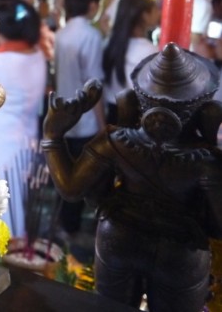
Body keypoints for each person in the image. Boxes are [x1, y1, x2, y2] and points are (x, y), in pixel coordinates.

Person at [42, 45, 222, 312]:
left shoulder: (116, 141)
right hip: (180, 255)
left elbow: (70, 189)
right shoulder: (206, 161)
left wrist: (53, 137)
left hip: (118, 239)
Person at [0, 0, 47, 237]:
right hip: (25, 142)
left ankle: (5, 260)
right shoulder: (37, 56)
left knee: (0, 210)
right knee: (17, 204)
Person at [53, 0, 106, 236]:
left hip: (63, 115)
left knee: (65, 172)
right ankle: (81, 229)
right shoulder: (91, 35)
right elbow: (93, 84)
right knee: (87, 175)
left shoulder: (62, 34)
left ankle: (66, 226)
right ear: (92, 5)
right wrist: (102, 123)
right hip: (85, 119)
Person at [102, 0, 158, 125]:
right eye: (155, 9)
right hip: (136, 120)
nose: (158, 14)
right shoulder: (148, 50)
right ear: (145, 15)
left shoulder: (110, 43)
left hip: (111, 116)